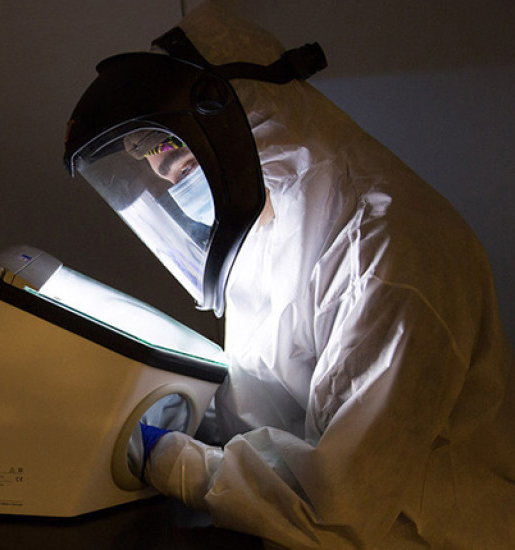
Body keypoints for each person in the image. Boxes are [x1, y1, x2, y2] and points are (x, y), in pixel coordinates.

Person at [63, 1, 515, 548]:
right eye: (142, 152)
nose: (157, 167)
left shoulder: (389, 251)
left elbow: (332, 509)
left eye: (163, 140)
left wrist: (164, 456)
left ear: (231, 106)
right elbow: (257, 417)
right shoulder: (269, 230)